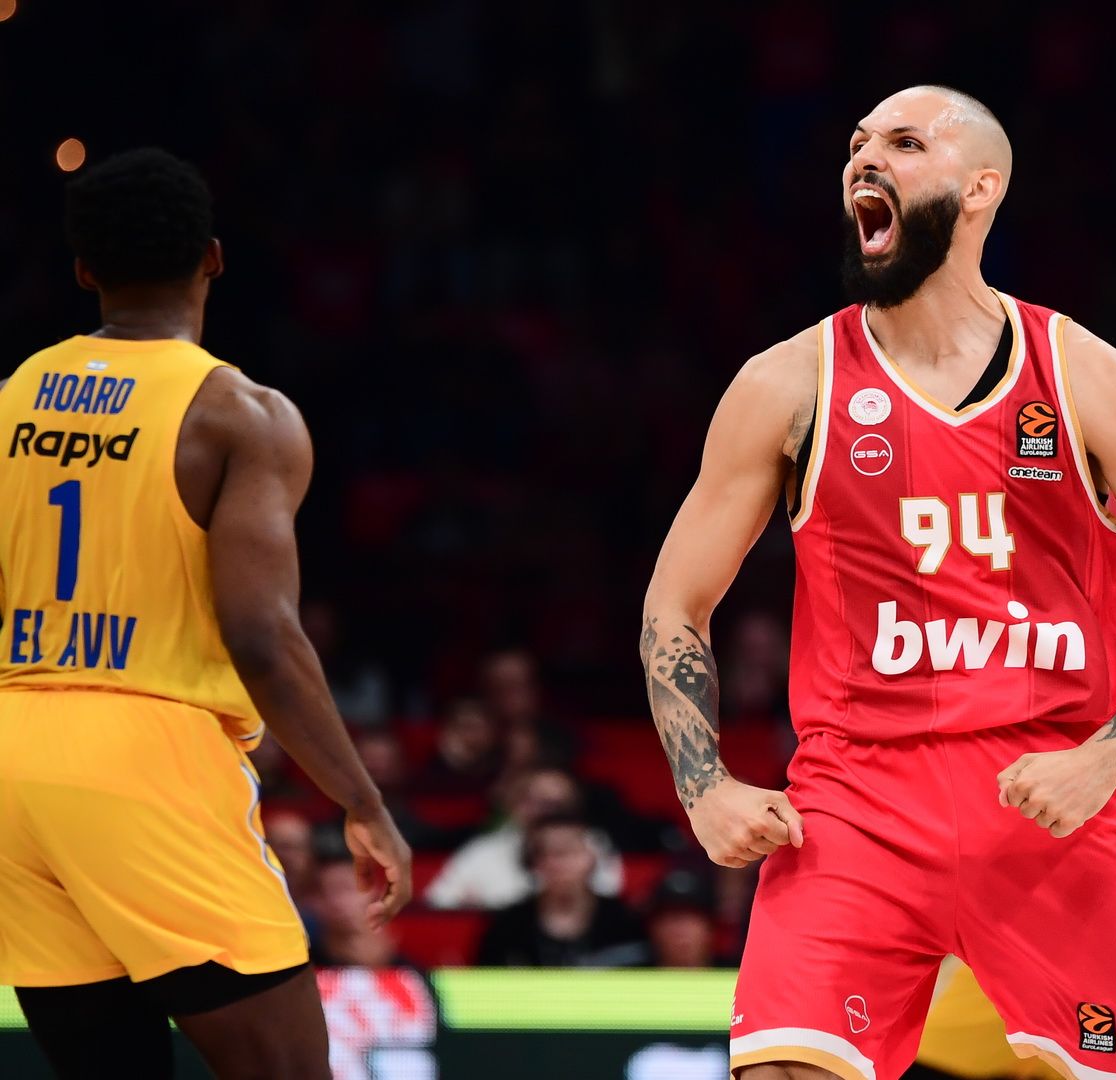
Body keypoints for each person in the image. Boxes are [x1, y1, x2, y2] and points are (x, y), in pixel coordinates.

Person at [643, 85, 1116, 1080]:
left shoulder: (1089, 376)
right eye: (857, 144)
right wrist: (703, 785)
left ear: (981, 188)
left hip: (1052, 796)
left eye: (904, 142)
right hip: (857, 801)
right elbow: (675, 604)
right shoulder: (787, 384)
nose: (865, 159)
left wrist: (1107, 757)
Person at [0, 148, 411, 1079]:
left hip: (15, 752)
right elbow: (262, 637)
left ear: (84, 271)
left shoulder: (14, 395)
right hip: (145, 752)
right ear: (213, 258)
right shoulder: (237, 414)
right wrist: (362, 800)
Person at [424, 765, 622, 909]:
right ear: (516, 805)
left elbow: (605, 901)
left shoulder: (594, 845)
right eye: (533, 802)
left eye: (555, 805)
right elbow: (438, 902)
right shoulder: (484, 849)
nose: (544, 813)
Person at [474, 813, 647, 968]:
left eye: (569, 851)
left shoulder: (624, 921)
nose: (558, 864)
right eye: (545, 853)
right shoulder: (508, 926)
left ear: (593, 856)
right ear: (532, 862)